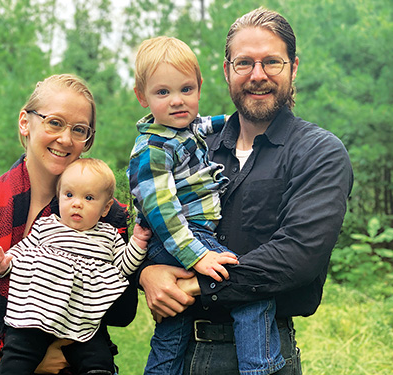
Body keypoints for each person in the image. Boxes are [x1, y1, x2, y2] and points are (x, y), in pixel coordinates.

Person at [138, 8, 354, 375]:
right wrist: (146, 273)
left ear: (294, 67)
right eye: (244, 63)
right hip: (177, 351)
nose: (258, 75)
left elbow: (298, 254)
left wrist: (194, 286)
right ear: (227, 71)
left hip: (261, 353)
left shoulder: (319, 152)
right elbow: (151, 215)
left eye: (272, 61)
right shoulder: (189, 143)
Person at [0, 74, 138, 375]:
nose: (66, 139)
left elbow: (123, 314)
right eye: (54, 122)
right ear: (25, 123)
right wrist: (19, 357)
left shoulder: (108, 217)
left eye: (79, 129)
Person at [128, 36, 285, 375]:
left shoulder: (184, 128)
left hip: (179, 241)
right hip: (179, 237)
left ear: (199, 87)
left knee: (175, 322)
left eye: (186, 89)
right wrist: (197, 255)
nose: (177, 102)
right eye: (162, 93)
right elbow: (161, 213)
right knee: (247, 287)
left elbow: (223, 123)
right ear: (142, 96)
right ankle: (260, 368)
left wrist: (252, 110)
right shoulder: (152, 148)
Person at [0, 158, 151, 375]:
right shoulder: (46, 227)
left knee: (98, 358)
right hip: (35, 314)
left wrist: (138, 243)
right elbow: (21, 252)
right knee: (17, 355)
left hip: (80, 319)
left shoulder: (108, 236)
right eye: (69, 195)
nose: (77, 203)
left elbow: (122, 267)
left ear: (106, 208)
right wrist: (4, 264)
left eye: (89, 198)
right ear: (59, 197)